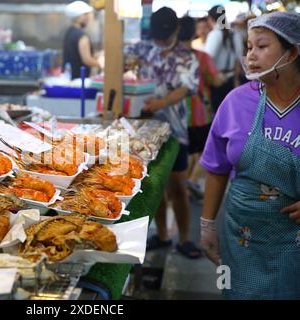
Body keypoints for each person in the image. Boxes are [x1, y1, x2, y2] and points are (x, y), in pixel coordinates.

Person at [200, 12, 300, 299]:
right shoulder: (236, 102)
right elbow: (216, 167)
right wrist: (207, 225)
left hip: (292, 243)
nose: (251, 56)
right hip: (241, 239)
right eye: (248, 47)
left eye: (262, 46)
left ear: (292, 52)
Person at [125, 7, 202, 259]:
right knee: (153, 185)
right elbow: (118, 62)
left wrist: (160, 103)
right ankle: (163, 235)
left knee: (178, 186)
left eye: (163, 37)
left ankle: (186, 239)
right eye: (156, 36)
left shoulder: (187, 57)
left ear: (177, 30)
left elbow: (184, 89)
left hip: (174, 130)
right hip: (142, 131)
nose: (159, 41)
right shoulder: (142, 49)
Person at [178, 16, 225, 201]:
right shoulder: (202, 57)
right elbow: (215, 80)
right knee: (204, 148)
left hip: (178, 113)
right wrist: (221, 77)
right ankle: (192, 180)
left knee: (187, 150)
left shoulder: (171, 57)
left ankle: (185, 185)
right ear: (194, 32)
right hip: (199, 112)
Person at [204, 5, 244, 112]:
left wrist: (213, 76)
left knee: (218, 114)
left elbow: (207, 59)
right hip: (231, 80)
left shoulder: (215, 34)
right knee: (229, 113)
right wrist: (236, 80)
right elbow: (238, 60)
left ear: (210, 19)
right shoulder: (235, 33)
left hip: (217, 81)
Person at [63, 1, 101, 80]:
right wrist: (103, 65)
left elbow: (75, 54)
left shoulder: (69, 32)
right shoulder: (82, 36)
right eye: (85, 14)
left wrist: (97, 55)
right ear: (77, 17)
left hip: (70, 78)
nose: (88, 17)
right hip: (80, 80)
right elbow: (87, 60)